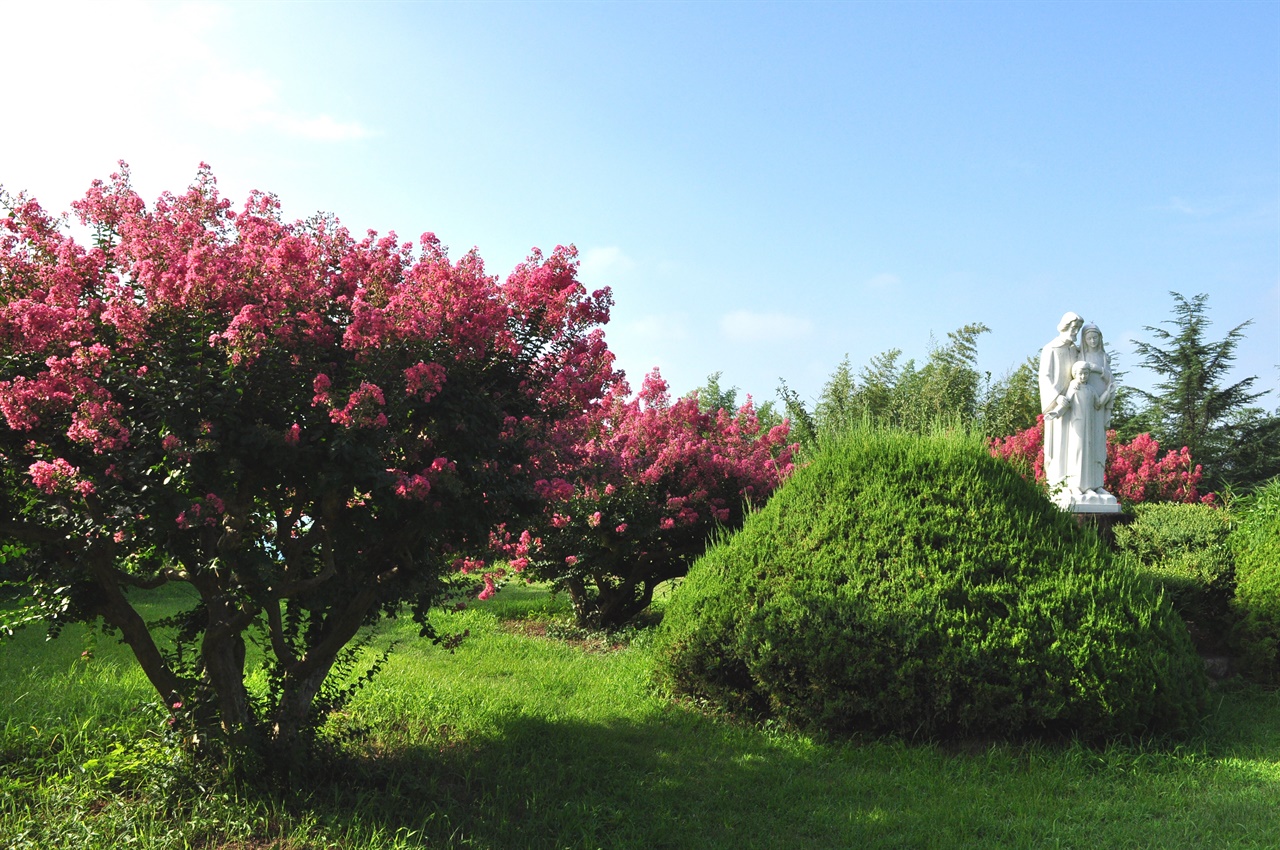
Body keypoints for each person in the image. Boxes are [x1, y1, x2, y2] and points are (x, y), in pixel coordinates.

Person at [1063, 323, 1115, 496]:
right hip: (1081, 408)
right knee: (1080, 446)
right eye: (1089, 338)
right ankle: (1078, 484)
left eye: (1095, 337)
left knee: (1097, 445)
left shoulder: (1104, 357)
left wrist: (1108, 401)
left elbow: (1110, 380)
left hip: (1098, 405)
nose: (1092, 341)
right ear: (1084, 340)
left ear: (1100, 338)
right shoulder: (1079, 355)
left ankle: (1096, 484)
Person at [1038, 311, 1083, 496]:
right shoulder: (1051, 348)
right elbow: (1044, 376)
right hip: (1058, 406)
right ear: (1065, 327)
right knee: (1058, 446)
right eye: (1073, 328)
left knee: (1073, 445)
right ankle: (1058, 484)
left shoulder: (1075, 350)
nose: (1075, 332)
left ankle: (1073, 482)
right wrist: (1057, 397)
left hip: (1074, 405)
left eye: (1078, 329)